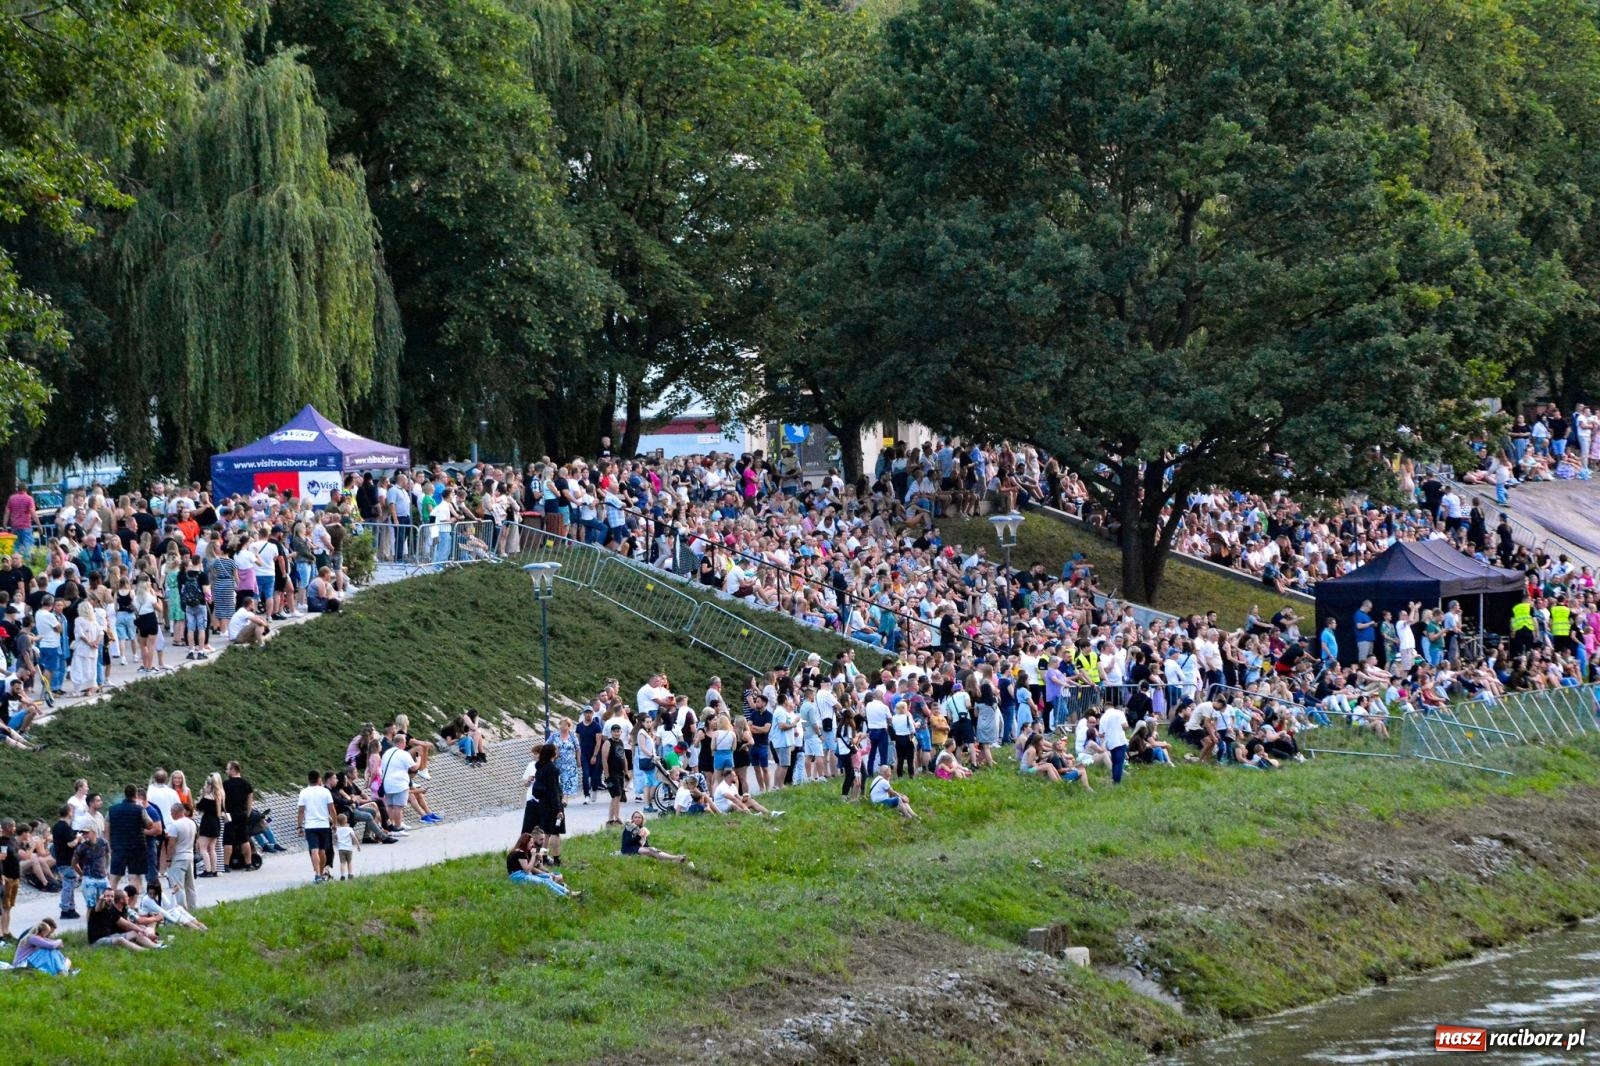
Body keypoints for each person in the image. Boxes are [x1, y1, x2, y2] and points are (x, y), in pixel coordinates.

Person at [505, 831, 578, 897]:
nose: (532, 845)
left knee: (547, 880)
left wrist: (537, 859)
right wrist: (533, 856)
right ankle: (564, 897)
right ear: (525, 842)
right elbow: (527, 870)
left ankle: (568, 892)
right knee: (544, 883)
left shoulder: (518, 851)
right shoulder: (520, 853)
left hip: (520, 874)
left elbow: (529, 868)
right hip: (518, 876)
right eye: (530, 843)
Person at [296, 769, 337, 884]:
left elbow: (301, 811)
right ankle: (322, 871)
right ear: (320, 779)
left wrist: (299, 827)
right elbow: (332, 809)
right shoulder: (325, 792)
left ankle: (317, 875)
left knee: (314, 850)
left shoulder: (303, 792)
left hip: (310, 826)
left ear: (308, 779)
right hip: (324, 825)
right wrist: (334, 823)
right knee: (322, 851)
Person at [163, 802, 199, 912]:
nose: (170, 814)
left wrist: (168, 859)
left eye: (171, 812)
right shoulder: (192, 823)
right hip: (189, 855)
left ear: (175, 812)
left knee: (178, 886)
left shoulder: (175, 825)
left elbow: (171, 844)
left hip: (178, 857)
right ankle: (193, 908)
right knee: (190, 885)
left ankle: (181, 909)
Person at [620, 811, 690, 865]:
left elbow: (645, 843)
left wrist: (648, 846)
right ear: (632, 818)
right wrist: (639, 836)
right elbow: (628, 842)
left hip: (638, 848)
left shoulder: (642, 829)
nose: (637, 819)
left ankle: (672, 860)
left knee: (652, 851)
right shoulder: (628, 828)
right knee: (650, 852)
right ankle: (675, 858)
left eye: (639, 817)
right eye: (635, 817)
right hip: (628, 848)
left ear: (642, 819)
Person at [712, 769, 781, 816]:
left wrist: (744, 798)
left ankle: (770, 813)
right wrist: (744, 806)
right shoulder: (722, 787)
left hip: (731, 805)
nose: (736, 777)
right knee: (733, 805)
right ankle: (751, 816)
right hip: (723, 808)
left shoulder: (732, 786)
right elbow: (733, 799)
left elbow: (738, 797)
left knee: (750, 801)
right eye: (734, 775)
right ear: (729, 776)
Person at [600, 722, 629, 827]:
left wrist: (626, 772)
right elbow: (604, 759)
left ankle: (610, 819)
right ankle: (617, 817)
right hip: (612, 773)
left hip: (620, 772)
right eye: (614, 732)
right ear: (611, 732)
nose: (616, 733)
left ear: (621, 732)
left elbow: (624, 757)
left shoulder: (621, 742)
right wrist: (607, 774)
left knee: (616, 796)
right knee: (616, 795)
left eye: (618, 731)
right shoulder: (608, 743)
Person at [335, 814, 360, 880]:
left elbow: (336, 838)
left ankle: (342, 875)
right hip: (349, 849)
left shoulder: (337, 830)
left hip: (341, 849)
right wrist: (358, 845)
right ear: (346, 821)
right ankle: (350, 874)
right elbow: (354, 838)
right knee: (349, 862)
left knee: (342, 862)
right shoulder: (349, 829)